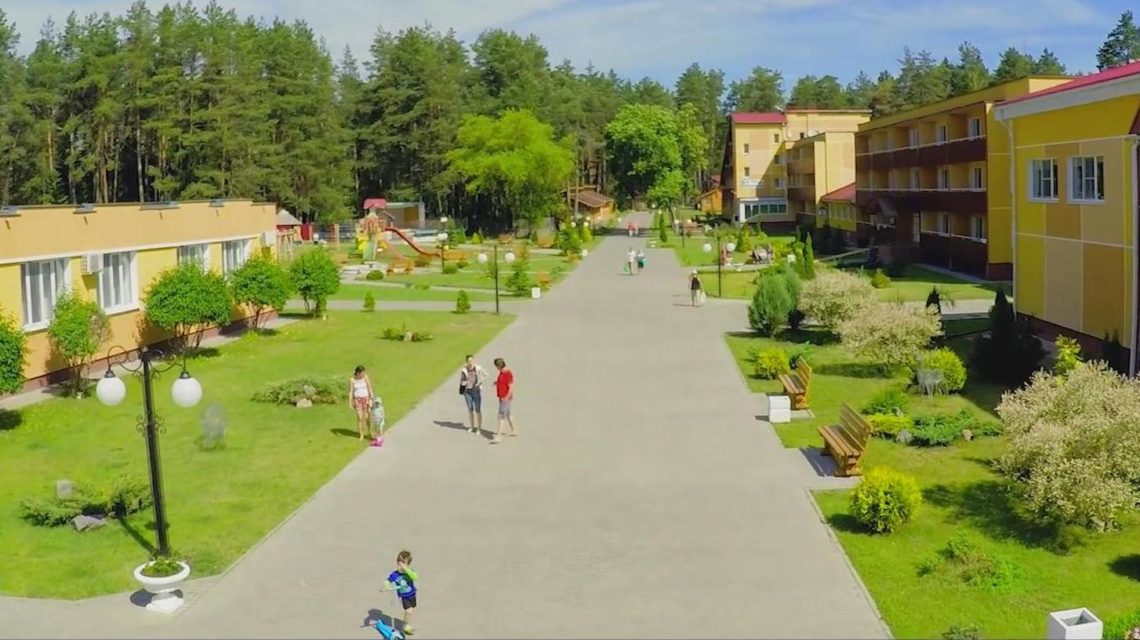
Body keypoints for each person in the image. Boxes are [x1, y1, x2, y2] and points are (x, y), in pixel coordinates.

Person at [384, 550, 418, 636]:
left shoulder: (409, 572)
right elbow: (388, 580)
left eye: (403, 565)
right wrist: (386, 585)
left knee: (412, 608)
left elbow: (415, 577)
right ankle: (406, 626)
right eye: (399, 565)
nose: (401, 567)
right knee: (408, 611)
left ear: (408, 565)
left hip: (412, 594)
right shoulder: (395, 574)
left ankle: (407, 621)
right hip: (404, 597)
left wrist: (406, 569)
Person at [458, 355, 487, 435]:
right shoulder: (464, 370)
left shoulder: (478, 368)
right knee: (470, 409)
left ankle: (479, 428)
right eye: (468, 361)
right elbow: (462, 381)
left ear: (473, 360)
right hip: (467, 392)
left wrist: (480, 382)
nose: (470, 362)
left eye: (471, 361)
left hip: (476, 391)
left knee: (477, 410)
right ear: (466, 362)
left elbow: (486, 375)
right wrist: (465, 383)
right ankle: (471, 426)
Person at [491, 357, 515, 444]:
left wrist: (506, 397)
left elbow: (511, 387)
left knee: (501, 416)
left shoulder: (507, 374)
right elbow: (503, 382)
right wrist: (497, 383)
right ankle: (514, 430)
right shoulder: (502, 372)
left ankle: (498, 436)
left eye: (496, 366)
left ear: (499, 366)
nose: (496, 368)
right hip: (502, 397)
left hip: (505, 398)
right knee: (508, 414)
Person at [348, 365, 375, 442]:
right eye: (362, 373)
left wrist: (371, 397)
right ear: (358, 373)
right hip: (358, 400)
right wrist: (350, 402)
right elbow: (351, 392)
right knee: (360, 417)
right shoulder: (352, 380)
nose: (363, 374)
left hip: (366, 398)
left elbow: (369, 387)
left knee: (367, 417)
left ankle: (369, 432)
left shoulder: (365, 377)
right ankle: (361, 434)